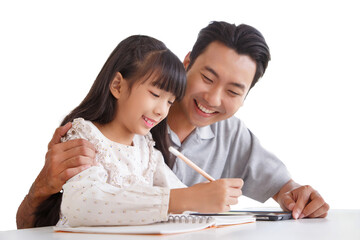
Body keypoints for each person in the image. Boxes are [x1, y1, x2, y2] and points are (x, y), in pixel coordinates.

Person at [17, 21, 329, 229]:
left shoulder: (152, 142)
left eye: (233, 91)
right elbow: (48, 217)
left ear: (246, 97)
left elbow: (283, 188)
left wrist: (297, 196)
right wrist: (42, 187)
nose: (213, 98)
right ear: (187, 62)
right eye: (207, 78)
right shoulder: (110, 127)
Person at [25, 35, 244, 228]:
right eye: (155, 94)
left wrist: (208, 197)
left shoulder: (144, 144)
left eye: (170, 102)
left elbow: (178, 191)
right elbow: (82, 203)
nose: (161, 111)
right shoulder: (85, 135)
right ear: (118, 85)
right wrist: (183, 199)